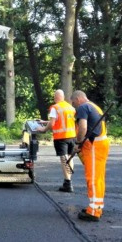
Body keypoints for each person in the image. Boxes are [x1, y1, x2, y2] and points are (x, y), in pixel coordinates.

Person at [71, 90, 110, 222]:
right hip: (101, 144)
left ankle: (93, 212)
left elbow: (83, 128)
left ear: (78, 99)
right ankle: (97, 206)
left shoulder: (83, 107)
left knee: (93, 178)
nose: (74, 105)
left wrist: (78, 143)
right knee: (98, 178)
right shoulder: (94, 106)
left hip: (93, 146)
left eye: (73, 102)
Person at [37, 89, 76, 192]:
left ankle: (68, 184)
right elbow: (60, 120)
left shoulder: (55, 107)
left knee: (64, 159)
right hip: (72, 136)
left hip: (61, 137)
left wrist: (43, 129)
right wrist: (45, 122)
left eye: (54, 96)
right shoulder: (70, 107)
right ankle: (68, 180)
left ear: (56, 97)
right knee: (70, 158)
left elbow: (52, 123)